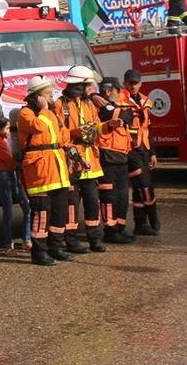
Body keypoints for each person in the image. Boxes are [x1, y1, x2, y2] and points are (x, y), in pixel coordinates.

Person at [53, 65, 117, 254]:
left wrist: (109, 126)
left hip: (91, 163)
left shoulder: (89, 104)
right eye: (86, 85)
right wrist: (74, 132)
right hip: (72, 162)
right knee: (71, 204)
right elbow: (57, 133)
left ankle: (94, 239)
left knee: (92, 202)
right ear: (76, 85)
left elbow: (96, 128)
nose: (89, 88)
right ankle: (71, 241)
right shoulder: (60, 105)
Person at [16, 75, 78, 266]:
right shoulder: (26, 113)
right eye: (48, 94)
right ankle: (39, 252)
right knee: (42, 213)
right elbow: (38, 127)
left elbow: (63, 137)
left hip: (58, 170)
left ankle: (55, 248)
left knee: (59, 212)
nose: (52, 96)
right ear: (37, 96)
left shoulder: (51, 114)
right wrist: (43, 110)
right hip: (40, 171)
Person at [93, 78, 137, 243]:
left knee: (122, 196)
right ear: (107, 91)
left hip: (121, 156)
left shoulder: (111, 106)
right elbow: (124, 115)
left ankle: (119, 227)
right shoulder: (101, 107)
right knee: (109, 195)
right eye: (117, 90)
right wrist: (93, 96)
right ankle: (110, 230)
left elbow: (127, 119)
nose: (120, 93)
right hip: (107, 156)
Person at [121, 69, 160, 235]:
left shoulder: (145, 100)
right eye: (130, 83)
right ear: (125, 83)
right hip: (129, 149)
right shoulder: (120, 99)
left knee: (139, 188)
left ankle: (141, 224)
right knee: (144, 185)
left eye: (136, 83)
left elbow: (148, 129)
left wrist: (152, 153)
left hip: (144, 148)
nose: (133, 86)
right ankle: (153, 216)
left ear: (141, 83)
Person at [0, 115, 31, 253]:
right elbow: (10, 160)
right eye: (6, 128)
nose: (8, 131)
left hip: (12, 174)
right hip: (6, 176)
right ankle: (10, 243)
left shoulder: (5, 140)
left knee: (26, 208)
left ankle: (26, 239)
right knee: (8, 211)